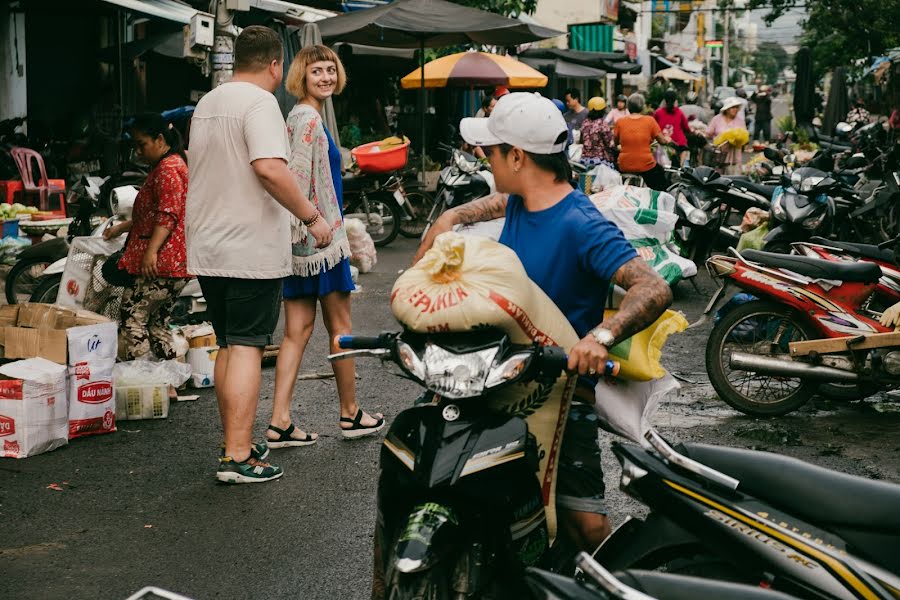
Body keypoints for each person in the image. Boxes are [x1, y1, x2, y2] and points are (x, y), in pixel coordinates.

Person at [414, 90, 672, 568]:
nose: (484, 158)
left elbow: (652, 288)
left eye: (491, 152)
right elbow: (490, 205)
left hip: (560, 392)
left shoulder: (581, 223)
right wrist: (453, 215)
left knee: (586, 527)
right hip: (497, 380)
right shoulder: (520, 200)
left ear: (517, 156)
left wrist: (601, 337)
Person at [186, 25, 333, 484]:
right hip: (248, 244)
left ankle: (236, 440)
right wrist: (312, 217)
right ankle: (238, 456)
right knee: (249, 344)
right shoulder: (261, 103)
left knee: (229, 343)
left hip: (209, 243)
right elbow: (270, 168)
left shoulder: (209, 102)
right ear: (275, 65)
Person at [266, 44, 384, 449]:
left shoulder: (306, 116)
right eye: (317, 71)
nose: (326, 78)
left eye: (331, 70)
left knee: (296, 332)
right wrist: (315, 222)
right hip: (319, 243)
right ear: (302, 75)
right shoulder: (307, 120)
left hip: (303, 244)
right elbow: (295, 178)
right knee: (342, 330)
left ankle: (280, 421)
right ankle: (350, 413)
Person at [105, 113, 190, 375]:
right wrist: (121, 227)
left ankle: (142, 379)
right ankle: (172, 380)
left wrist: (151, 252)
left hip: (161, 263)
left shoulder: (167, 169)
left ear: (160, 139)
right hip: (173, 264)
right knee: (157, 323)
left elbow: (168, 214)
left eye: (142, 144)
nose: (139, 152)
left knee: (132, 319)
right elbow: (151, 214)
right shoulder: (170, 165)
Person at [613, 93, 672, 190]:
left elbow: (616, 143)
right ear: (642, 106)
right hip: (645, 164)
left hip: (624, 165)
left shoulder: (620, 122)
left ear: (628, 106)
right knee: (661, 182)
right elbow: (662, 141)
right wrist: (667, 140)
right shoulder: (650, 121)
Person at [707, 97, 747, 175]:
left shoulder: (740, 121)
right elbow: (708, 133)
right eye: (733, 107)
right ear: (727, 109)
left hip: (734, 157)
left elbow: (744, 137)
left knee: (733, 179)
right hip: (719, 156)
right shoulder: (716, 119)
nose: (735, 109)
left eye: (737, 108)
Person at [653, 89, 691, 167]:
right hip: (680, 145)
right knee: (683, 163)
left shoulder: (658, 113)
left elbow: (652, 127)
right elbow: (686, 128)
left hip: (663, 145)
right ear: (675, 100)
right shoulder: (679, 112)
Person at [580, 96, 616, 168]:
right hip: (601, 161)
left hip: (585, 160)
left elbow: (581, 140)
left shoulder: (585, 123)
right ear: (602, 110)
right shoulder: (602, 124)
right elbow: (610, 144)